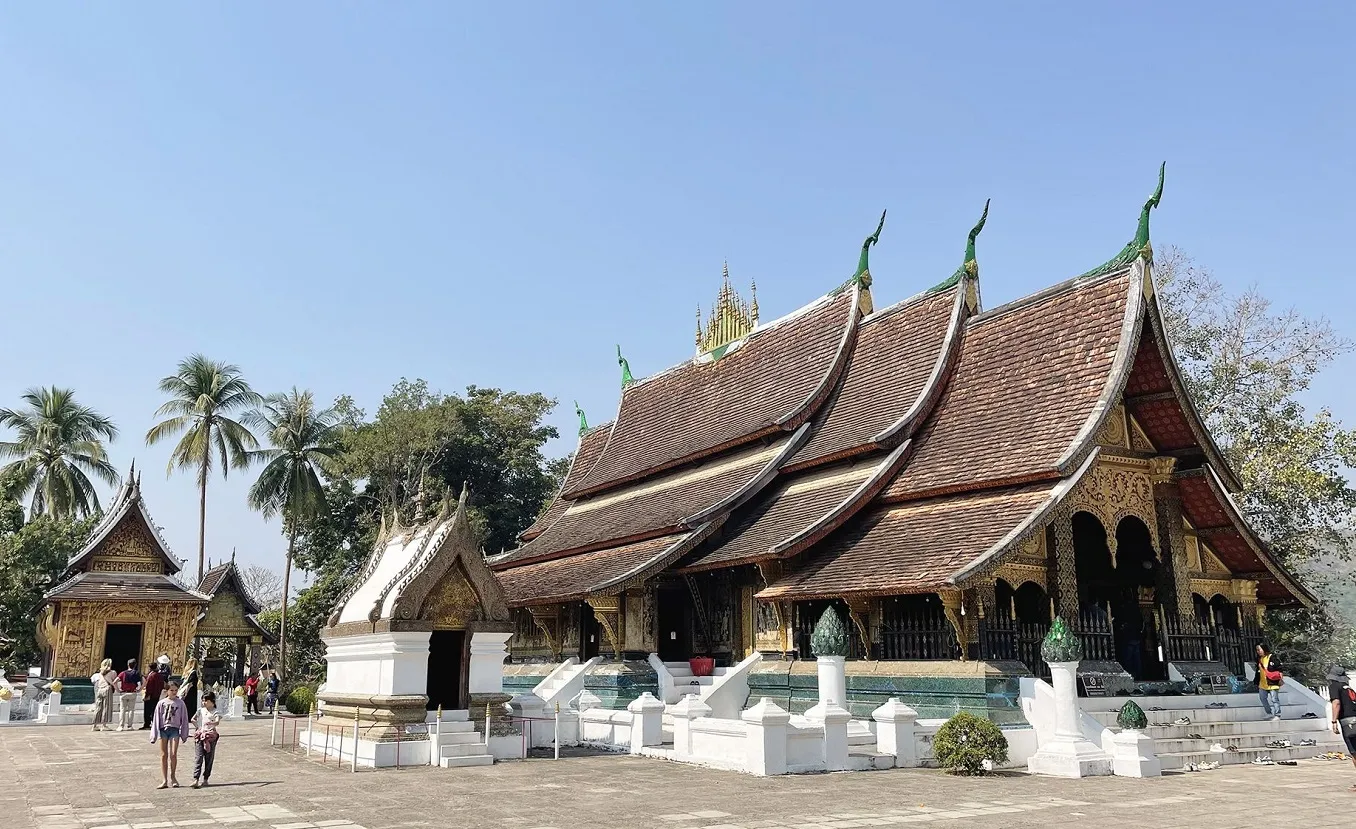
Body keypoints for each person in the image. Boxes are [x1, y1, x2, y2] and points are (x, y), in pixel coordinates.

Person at [150, 679, 189, 788]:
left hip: (174, 730)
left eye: (176, 690)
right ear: (167, 691)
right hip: (163, 730)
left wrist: (184, 733)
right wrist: (154, 734)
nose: (174, 692)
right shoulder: (161, 703)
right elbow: (156, 718)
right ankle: (164, 779)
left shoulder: (180, 703)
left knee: (173, 754)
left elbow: (184, 719)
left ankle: (173, 776)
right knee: (163, 755)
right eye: (172, 690)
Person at [1328, 665, 1356, 789]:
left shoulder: (1334, 686)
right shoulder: (1348, 688)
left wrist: (1334, 721)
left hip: (1349, 722)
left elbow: (1336, 703)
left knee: (1354, 752)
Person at [190, 690, 222, 788]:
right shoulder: (200, 710)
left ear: (212, 701)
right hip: (201, 735)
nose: (204, 703)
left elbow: (217, 721)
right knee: (198, 757)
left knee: (209, 758)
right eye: (203, 700)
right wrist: (198, 727)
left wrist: (212, 723)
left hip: (210, 736)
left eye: (206, 701)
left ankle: (206, 778)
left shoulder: (215, 712)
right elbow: (193, 719)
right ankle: (196, 778)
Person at [1255, 643, 1283, 721]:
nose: (1258, 651)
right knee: (1262, 698)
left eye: (1259, 649)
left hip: (1272, 682)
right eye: (1257, 650)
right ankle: (1269, 713)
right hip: (1262, 683)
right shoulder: (1259, 659)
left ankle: (1277, 714)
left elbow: (1279, 669)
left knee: (1274, 699)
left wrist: (1280, 679)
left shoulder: (1272, 657)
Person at [115, 659, 143, 732]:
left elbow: (115, 681)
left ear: (128, 665)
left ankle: (121, 726)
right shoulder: (136, 673)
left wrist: (117, 690)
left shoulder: (123, 673)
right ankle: (130, 726)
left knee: (122, 710)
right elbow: (144, 681)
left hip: (124, 693)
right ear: (135, 665)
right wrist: (139, 689)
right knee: (131, 710)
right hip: (132, 693)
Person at [90, 658, 118, 731]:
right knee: (106, 707)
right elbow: (114, 682)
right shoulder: (113, 672)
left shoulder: (99, 673)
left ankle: (94, 725)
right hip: (107, 689)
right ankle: (103, 725)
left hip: (100, 689)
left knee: (98, 707)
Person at [142, 661, 166, 730]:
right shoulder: (159, 675)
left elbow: (149, 686)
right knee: (154, 710)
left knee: (148, 710)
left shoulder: (152, 676)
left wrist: (147, 695)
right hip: (157, 695)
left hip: (151, 695)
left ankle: (147, 724)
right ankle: (154, 722)